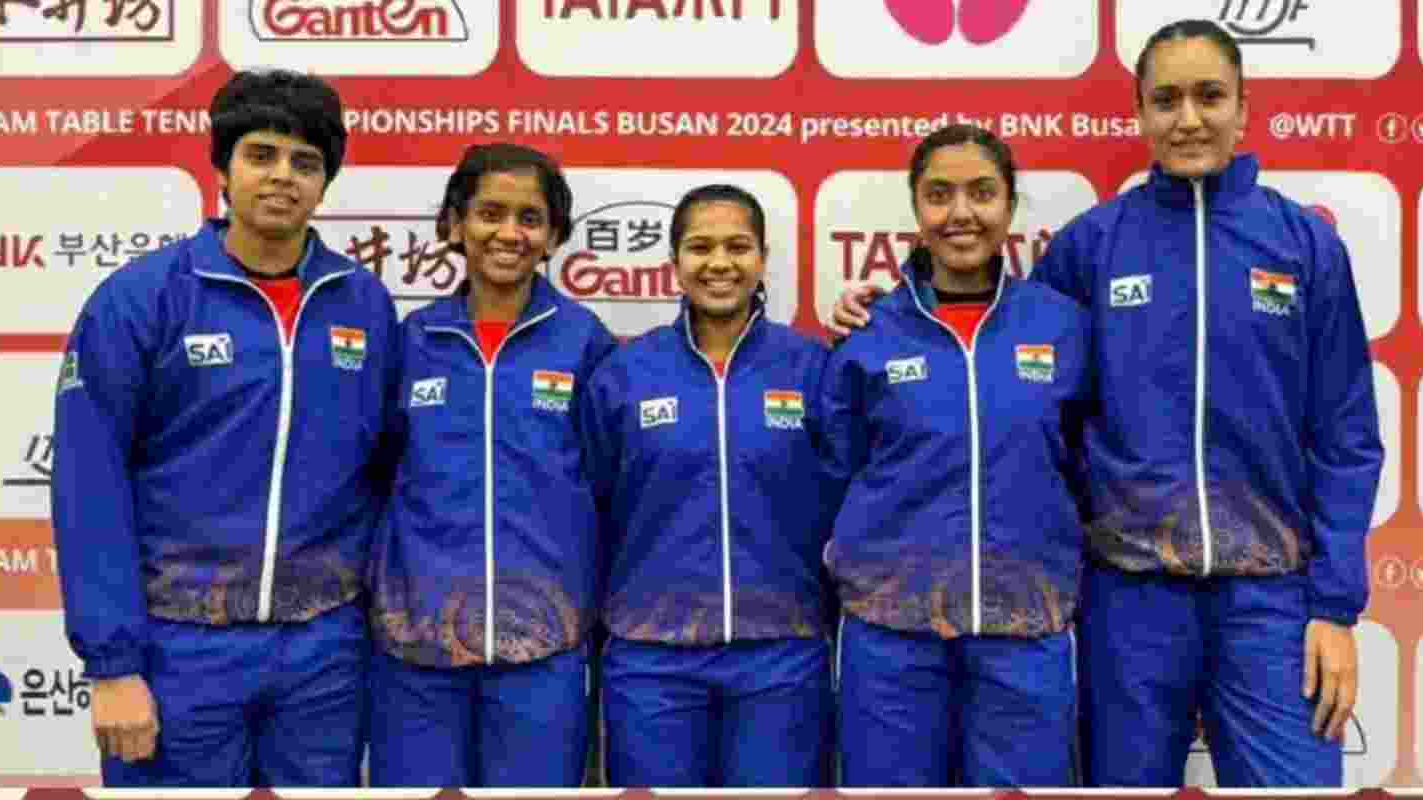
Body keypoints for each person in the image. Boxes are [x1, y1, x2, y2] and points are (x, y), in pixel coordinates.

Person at [832, 19, 1384, 788]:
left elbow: (1347, 435)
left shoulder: (1303, 246)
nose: (1188, 118)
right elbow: (990, 354)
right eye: (1166, 100)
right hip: (1128, 597)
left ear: (1243, 107)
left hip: (1272, 600)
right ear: (1140, 115)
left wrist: (1334, 605)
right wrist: (884, 307)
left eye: (1208, 97)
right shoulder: (1094, 248)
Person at [51, 69, 399, 787]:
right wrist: (113, 665)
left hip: (322, 654)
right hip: (180, 648)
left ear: (326, 183)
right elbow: (90, 485)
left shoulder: (361, 303)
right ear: (222, 167)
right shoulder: (142, 299)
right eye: (261, 154)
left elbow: (385, 472)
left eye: (306, 163)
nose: (282, 178)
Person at [816, 124, 1091, 788]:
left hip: (1024, 627)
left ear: (1010, 207)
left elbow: (1088, 465)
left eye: (981, 193)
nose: (961, 213)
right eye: (939, 195)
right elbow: (833, 475)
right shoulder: (869, 331)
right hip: (891, 633)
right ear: (916, 208)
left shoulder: (1061, 324)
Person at [366, 143, 617, 787]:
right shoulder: (411, 341)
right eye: (490, 213)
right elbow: (375, 475)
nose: (510, 233)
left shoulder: (586, 343)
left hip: (543, 646)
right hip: (417, 645)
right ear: (455, 224)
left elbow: (609, 486)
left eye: (530, 218)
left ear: (554, 235)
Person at [578, 184, 837, 787]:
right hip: (651, 657)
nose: (719, 263)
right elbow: (592, 503)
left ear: (763, 259)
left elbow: (845, 498)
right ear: (674, 264)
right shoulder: (625, 375)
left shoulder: (813, 368)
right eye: (700, 247)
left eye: (737, 246)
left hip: (782, 651)